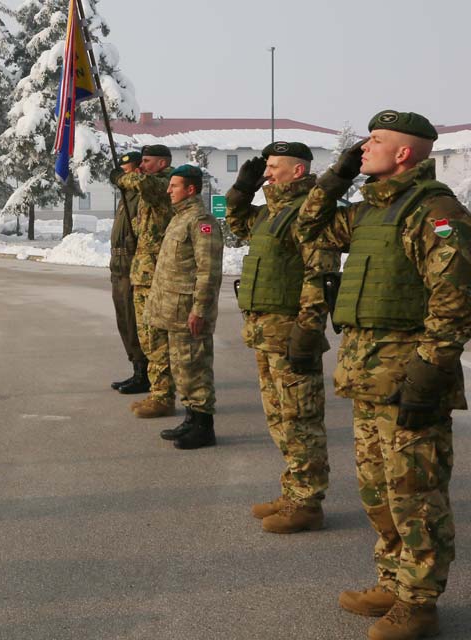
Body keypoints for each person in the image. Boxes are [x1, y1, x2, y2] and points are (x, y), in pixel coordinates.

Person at [297, 110, 471, 640]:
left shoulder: (435, 211)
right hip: (367, 378)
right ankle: (394, 582)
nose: (363, 147)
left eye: (375, 141)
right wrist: (338, 175)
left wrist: (430, 371)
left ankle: (419, 603)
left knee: (415, 493)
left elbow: (455, 299)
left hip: (409, 379)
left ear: (404, 154)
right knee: (378, 491)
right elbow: (308, 227)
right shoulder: (373, 210)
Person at [226, 141, 338, 534]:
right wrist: (242, 190)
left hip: (291, 335)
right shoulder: (270, 214)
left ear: (299, 172)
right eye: (266, 167)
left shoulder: (309, 214)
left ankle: (308, 502)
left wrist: (307, 331)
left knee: (301, 419)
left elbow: (319, 275)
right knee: (279, 419)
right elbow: (235, 225)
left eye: (275, 167)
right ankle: (293, 492)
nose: (268, 173)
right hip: (266, 334)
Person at [147, 165, 223, 449]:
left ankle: (204, 427)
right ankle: (192, 419)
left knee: (195, 368)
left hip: (188, 312)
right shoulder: (179, 218)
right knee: (182, 369)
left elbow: (209, 270)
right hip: (172, 311)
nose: (168, 190)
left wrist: (200, 309)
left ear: (190, 189)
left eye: (174, 186)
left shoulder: (201, 221)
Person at [113, 145, 177, 414]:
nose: (141, 165)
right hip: (138, 267)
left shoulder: (162, 184)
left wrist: (120, 176)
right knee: (135, 326)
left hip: (154, 273)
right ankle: (153, 382)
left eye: (147, 161)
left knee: (155, 336)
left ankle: (159, 388)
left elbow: (138, 180)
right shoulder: (146, 187)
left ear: (162, 164)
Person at [107, 151, 147, 394]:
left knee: (135, 322)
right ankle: (136, 368)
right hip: (119, 268)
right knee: (124, 321)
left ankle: (144, 372)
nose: (125, 176)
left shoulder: (142, 196)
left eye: (129, 170)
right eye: (123, 172)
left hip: (134, 268)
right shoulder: (125, 198)